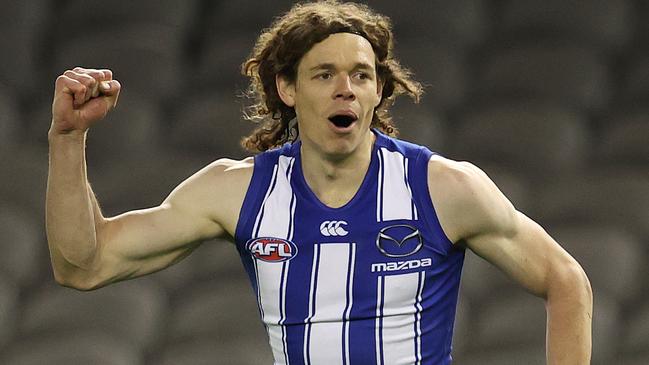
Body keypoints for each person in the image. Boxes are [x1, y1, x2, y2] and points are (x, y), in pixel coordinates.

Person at [46, 1, 592, 364]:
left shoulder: (443, 188)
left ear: (379, 90)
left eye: (361, 75)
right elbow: (84, 266)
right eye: (324, 74)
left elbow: (566, 280)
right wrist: (68, 140)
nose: (345, 90)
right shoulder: (236, 191)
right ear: (287, 88)